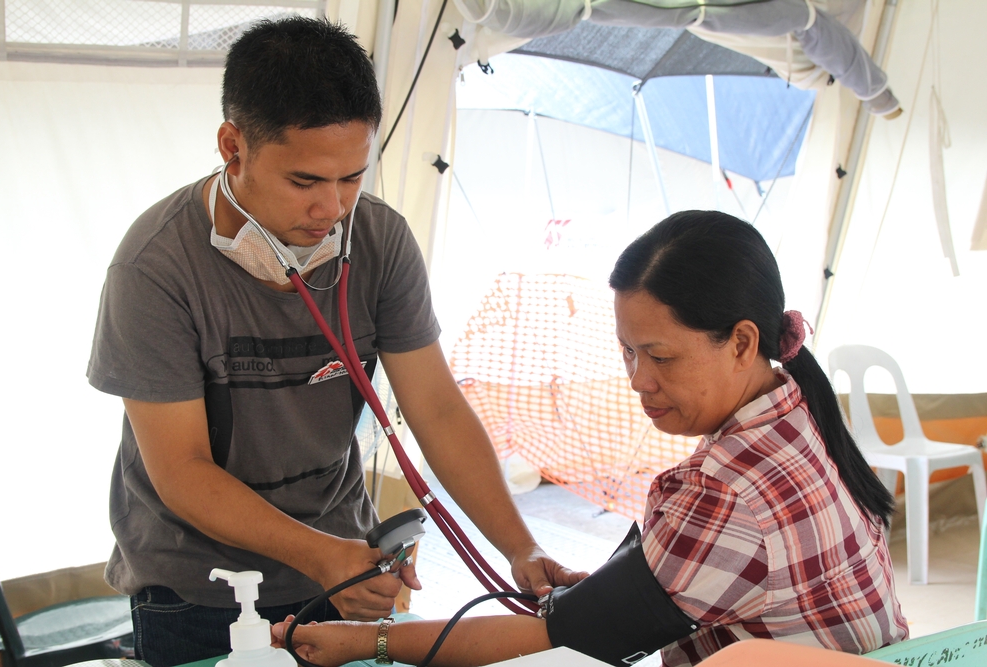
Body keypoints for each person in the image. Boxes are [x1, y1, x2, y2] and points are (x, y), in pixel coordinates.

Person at [86, 17, 584, 667]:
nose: (334, 208)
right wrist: (325, 555)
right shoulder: (156, 267)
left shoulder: (378, 241)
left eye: (352, 176)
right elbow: (180, 469)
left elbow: (434, 408)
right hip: (196, 585)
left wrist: (519, 546)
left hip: (338, 563)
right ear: (233, 146)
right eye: (305, 181)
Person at [274, 211, 908, 667]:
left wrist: (368, 643)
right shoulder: (795, 405)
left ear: (742, 342)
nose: (639, 381)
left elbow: (565, 639)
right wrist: (612, 584)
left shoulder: (724, 491)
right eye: (628, 352)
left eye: (660, 357)